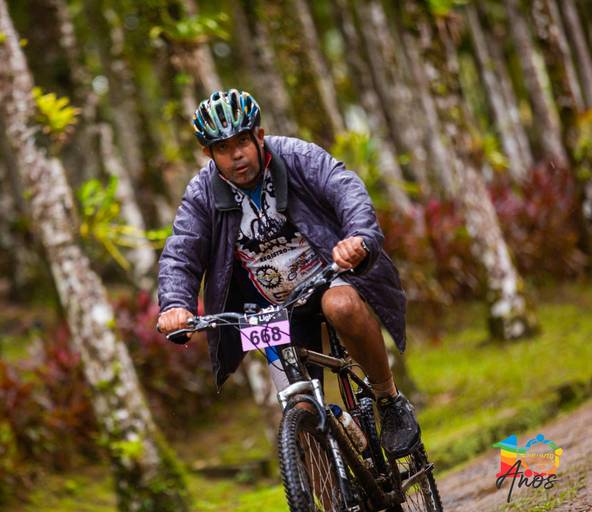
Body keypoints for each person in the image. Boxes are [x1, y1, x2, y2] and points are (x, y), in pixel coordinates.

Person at [155, 89, 418, 457]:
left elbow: (346, 189)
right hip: (270, 310)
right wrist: (174, 305)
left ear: (259, 136)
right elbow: (181, 251)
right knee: (301, 415)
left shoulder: (297, 157)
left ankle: (388, 399)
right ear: (208, 154)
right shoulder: (201, 194)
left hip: (327, 279)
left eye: (242, 141)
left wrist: (357, 237)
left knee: (342, 306)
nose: (236, 154)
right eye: (222, 147)